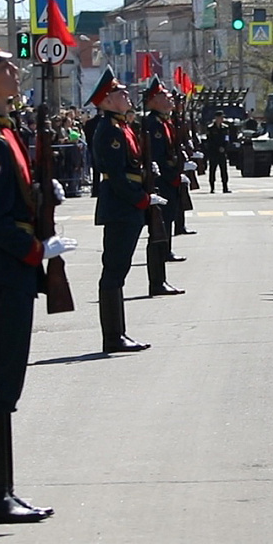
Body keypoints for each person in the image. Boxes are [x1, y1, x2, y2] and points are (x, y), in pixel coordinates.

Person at [0, 19, 75, 524]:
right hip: (0, 269)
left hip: (10, 268)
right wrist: (36, 250)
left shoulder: (5, 132)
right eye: (1, 65)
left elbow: (12, 199)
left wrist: (40, 195)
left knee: (5, 384)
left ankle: (1, 490)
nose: (13, 69)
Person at [89, 68, 163, 353]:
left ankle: (118, 333)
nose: (126, 95)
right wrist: (141, 199)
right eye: (120, 92)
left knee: (119, 269)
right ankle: (113, 336)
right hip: (121, 205)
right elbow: (117, 176)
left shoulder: (121, 127)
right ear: (107, 101)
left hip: (127, 204)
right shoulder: (108, 130)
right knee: (114, 270)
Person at [141, 78, 187, 295]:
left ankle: (160, 280)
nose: (170, 99)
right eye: (164, 96)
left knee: (164, 231)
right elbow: (158, 158)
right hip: (161, 184)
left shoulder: (165, 122)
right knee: (158, 234)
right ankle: (156, 282)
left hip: (169, 182)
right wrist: (173, 177)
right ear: (153, 101)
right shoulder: (153, 124)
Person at [205, 111, 232, 193]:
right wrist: (217, 148)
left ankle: (225, 187)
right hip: (213, 152)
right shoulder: (210, 128)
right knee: (212, 170)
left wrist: (224, 147)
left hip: (222, 152)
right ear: (216, 118)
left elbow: (227, 139)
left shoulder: (225, 128)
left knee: (224, 170)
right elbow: (209, 141)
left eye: (222, 118)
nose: (221, 119)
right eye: (220, 117)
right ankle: (212, 187)